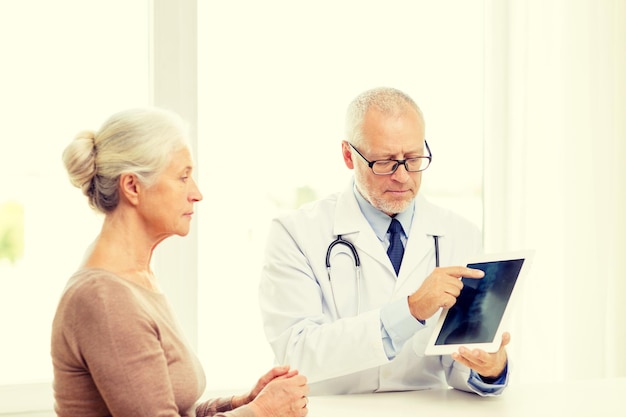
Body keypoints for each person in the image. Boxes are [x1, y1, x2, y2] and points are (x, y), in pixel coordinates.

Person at [52, 107, 309, 417]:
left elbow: (168, 408)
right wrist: (262, 412)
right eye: (183, 177)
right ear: (132, 186)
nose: (196, 193)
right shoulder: (104, 298)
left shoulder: (136, 280)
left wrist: (241, 403)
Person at [258, 87, 510, 396]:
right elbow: (296, 352)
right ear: (349, 155)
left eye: (414, 158)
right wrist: (410, 311)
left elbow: (457, 365)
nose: (402, 176)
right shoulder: (295, 233)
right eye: (385, 162)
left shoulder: (461, 234)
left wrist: (489, 367)